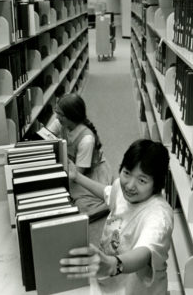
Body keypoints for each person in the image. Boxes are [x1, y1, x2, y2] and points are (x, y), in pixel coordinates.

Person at [59, 139, 174, 295]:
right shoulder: (121, 187)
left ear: (157, 184)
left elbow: (145, 251)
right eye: (127, 172)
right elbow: (109, 192)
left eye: (142, 180)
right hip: (112, 282)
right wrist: (77, 177)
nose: (130, 185)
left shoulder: (159, 216)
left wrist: (114, 264)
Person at [47, 92, 113, 220]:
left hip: (86, 172)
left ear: (71, 116)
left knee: (81, 207)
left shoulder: (86, 139)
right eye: (57, 111)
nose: (57, 116)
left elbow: (78, 174)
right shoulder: (60, 123)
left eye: (60, 114)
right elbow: (46, 136)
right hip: (71, 165)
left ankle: (106, 205)